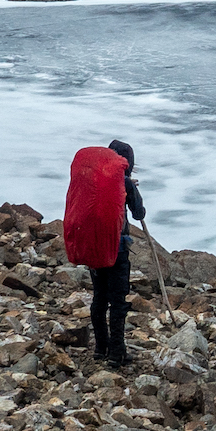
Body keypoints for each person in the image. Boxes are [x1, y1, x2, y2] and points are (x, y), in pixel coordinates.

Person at [86, 138, 146, 366]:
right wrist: (131, 189)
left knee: (99, 297)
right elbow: (139, 213)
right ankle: (117, 352)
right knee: (117, 301)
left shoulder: (94, 178)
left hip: (95, 245)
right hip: (117, 247)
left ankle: (101, 347)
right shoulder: (124, 183)